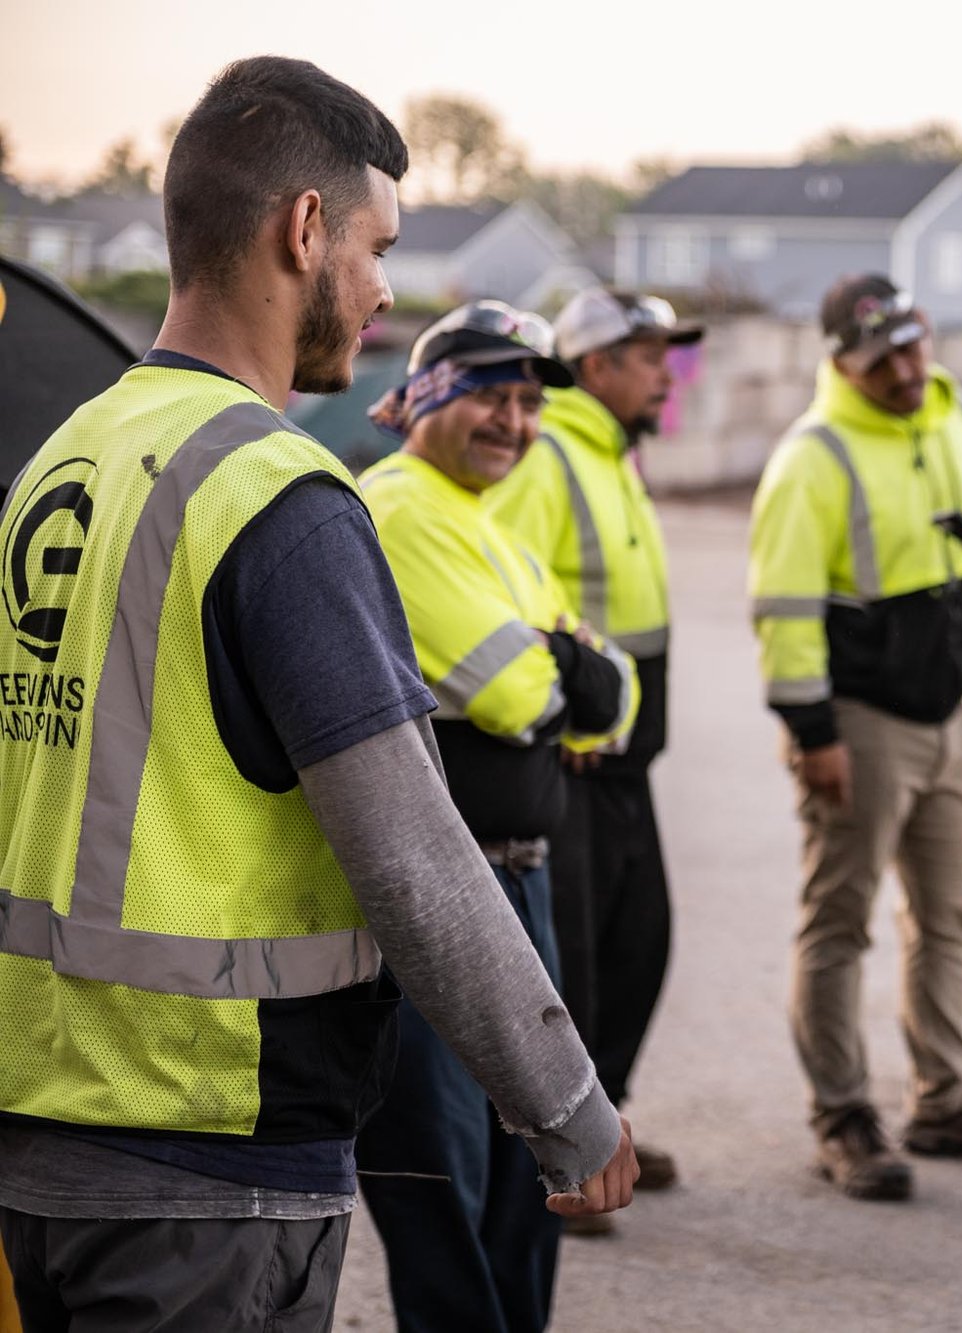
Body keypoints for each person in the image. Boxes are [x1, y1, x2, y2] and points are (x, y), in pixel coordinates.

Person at [0, 58, 634, 1333]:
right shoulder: (273, 495)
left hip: (41, 1134)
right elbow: (412, 853)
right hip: (208, 1161)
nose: (386, 289)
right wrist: (567, 1108)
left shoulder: (64, 459)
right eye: (378, 244)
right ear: (303, 230)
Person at [356, 301, 638, 1331]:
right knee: (442, 1174)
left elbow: (613, 698)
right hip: (442, 888)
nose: (514, 422)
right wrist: (565, 660)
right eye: (490, 393)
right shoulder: (397, 508)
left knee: (540, 1165)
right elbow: (527, 693)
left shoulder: (487, 525)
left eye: (528, 403)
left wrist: (569, 664)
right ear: (427, 395)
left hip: (522, 879)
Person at [748, 275, 962, 1202]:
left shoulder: (952, 414)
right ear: (845, 361)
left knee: (946, 913)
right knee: (838, 920)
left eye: (915, 345)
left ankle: (945, 1097)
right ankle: (842, 1113)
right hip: (860, 723)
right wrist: (812, 732)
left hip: (945, 710)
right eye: (885, 358)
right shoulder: (815, 456)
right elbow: (786, 609)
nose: (909, 368)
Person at [485, 288, 699, 1214]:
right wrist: (567, 711)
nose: (667, 373)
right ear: (600, 365)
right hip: (575, 756)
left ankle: (602, 1129)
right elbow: (511, 589)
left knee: (636, 942)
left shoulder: (614, 454)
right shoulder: (556, 453)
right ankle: (561, 1162)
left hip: (625, 755)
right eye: (651, 356)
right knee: (568, 961)